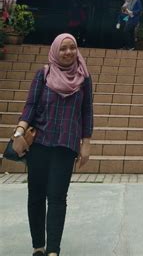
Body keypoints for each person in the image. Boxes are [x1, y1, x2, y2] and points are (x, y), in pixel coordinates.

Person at [12, 33, 93, 256]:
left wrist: (86, 142)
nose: (68, 52)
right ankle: (38, 246)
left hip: (66, 145)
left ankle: (53, 250)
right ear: (55, 50)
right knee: (36, 195)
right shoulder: (43, 74)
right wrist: (19, 131)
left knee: (57, 197)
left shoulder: (84, 78)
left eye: (72, 48)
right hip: (40, 143)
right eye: (63, 48)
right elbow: (30, 105)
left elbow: (87, 111)